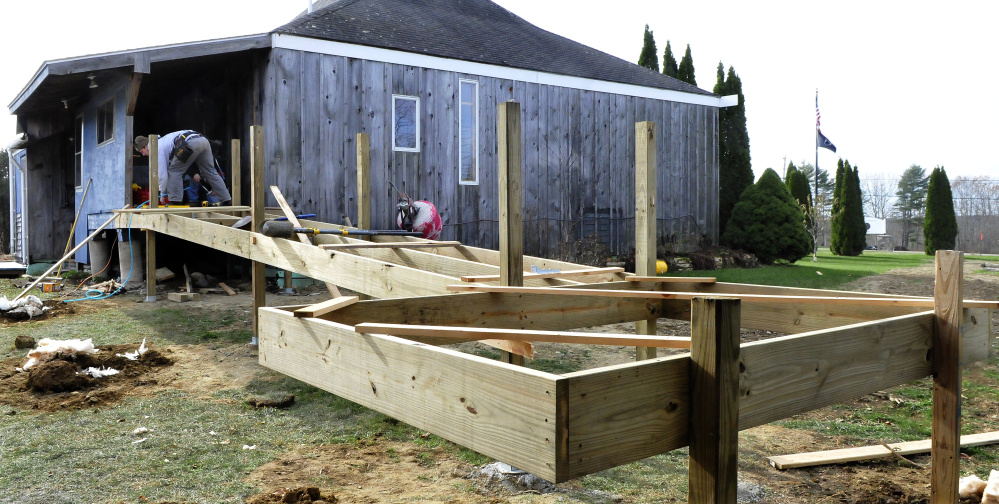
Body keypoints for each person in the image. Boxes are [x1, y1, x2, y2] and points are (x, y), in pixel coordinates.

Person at [134, 131, 231, 206]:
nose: (143, 154)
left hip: (189, 143)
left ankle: (175, 201)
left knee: (174, 171)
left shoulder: (158, 147)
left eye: (142, 151)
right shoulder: (165, 141)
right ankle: (227, 200)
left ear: (146, 146)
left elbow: (163, 175)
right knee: (211, 172)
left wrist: (163, 195)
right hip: (203, 140)